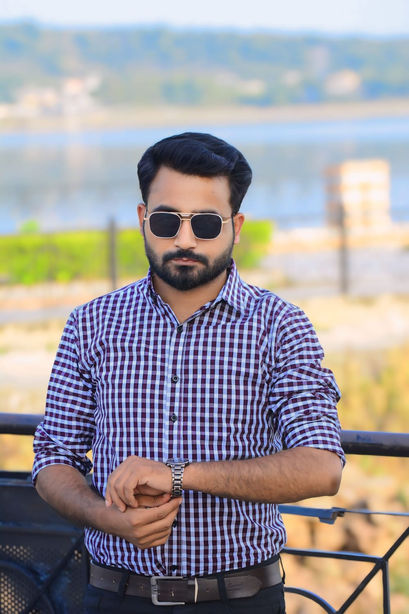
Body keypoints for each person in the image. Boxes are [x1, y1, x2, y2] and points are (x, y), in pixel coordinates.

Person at [33, 132, 345, 613]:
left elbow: (322, 467)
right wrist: (103, 516)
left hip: (239, 600)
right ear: (143, 219)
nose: (184, 240)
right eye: (166, 221)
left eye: (205, 223)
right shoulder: (91, 323)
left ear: (236, 227)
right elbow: (53, 457)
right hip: (113, 598)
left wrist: (177, 475)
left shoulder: (280, 325)